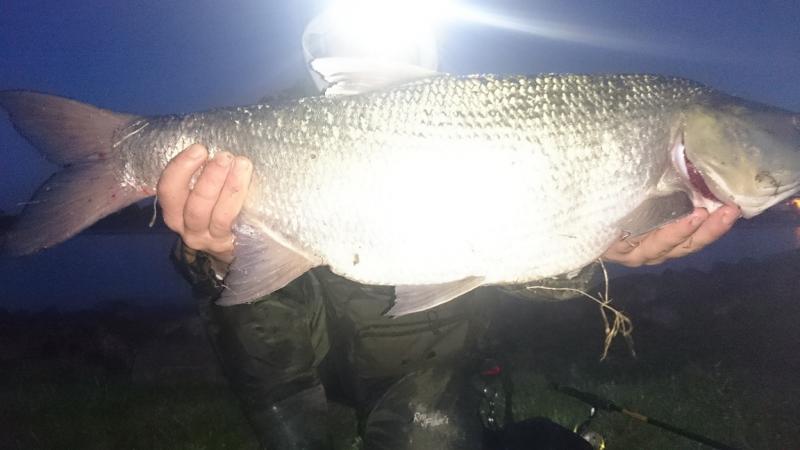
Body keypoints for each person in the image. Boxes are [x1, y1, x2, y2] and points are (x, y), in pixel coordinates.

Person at [158, 144, 739, 449]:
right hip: (319, 365)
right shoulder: (281, 130)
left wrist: (593, 245)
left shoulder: (480, 135)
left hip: (432, 373)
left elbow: (522, 278)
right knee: (240, 304)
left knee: (431, 425)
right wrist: (221, 259)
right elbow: (264, 328)